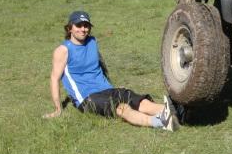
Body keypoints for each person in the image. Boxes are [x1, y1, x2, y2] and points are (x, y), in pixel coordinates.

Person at [44, 10, 182, 131]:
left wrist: (111, 86)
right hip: (87, 97)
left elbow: (98, 66)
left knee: (137, 100)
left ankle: (176, 112)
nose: (83, 29)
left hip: (107, 89)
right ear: (69, 28)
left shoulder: (92, 41)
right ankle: (160, 122)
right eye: (78, 25)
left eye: (86, 25)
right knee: (122, 108)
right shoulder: (63, 50)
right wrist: (58, 108)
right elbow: (54, 79)